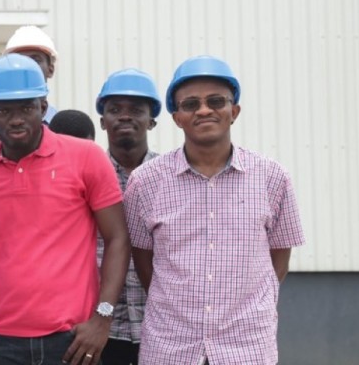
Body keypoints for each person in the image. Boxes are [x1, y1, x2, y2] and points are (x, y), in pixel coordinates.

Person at [124, 56, 304, 365]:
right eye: (191, 104)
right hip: (171, 347)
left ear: (234, 111)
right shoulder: (145, 182)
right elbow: (143, 259)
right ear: (177, 117)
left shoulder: (273, 178)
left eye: (216, 101)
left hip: (246, 345)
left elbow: (279, 257)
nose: (204, 110)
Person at [0, 55, 128, 365]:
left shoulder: (86, 157)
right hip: (0, 342)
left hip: (73, 340)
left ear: (44, 108)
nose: (16, 119)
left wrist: (103, 318)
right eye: (4, 110)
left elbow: (117, 238)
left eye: (26, 108)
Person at [91, 69, 162, 365]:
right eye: (115, 110)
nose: (124, 116)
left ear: (152, 121)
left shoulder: (170, 176)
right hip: (99, 328)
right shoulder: (86, 174)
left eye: (136, 110)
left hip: (161, 327)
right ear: (102, 120)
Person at [2, 26, 59, 123]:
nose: (27, 66)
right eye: (18, 60)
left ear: (50, 70)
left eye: (35, 60)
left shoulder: (63, 127)